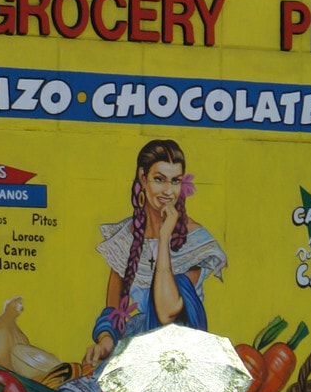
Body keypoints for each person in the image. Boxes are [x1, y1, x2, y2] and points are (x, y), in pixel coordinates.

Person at [81, 139, 226, 371]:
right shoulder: (124, 240)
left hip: (177, 360)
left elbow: (167, 312)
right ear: (142, 177)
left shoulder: (196, 242)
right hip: (133, 350)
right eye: (159, 179)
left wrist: (165, 237)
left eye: (175, 181)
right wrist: (104, 344)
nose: (168, 191)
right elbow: (114, 310)